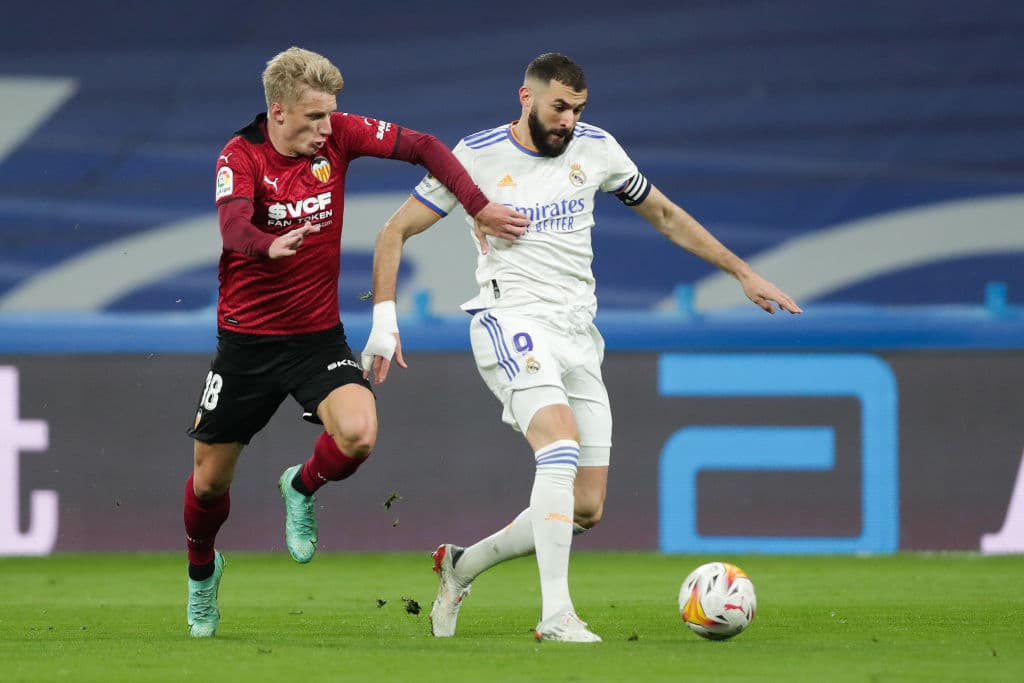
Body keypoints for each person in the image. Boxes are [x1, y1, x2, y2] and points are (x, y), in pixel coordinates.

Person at [360, 53, 802, 643]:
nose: (569, 120)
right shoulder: (477, 155)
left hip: (577, 336)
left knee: (586, 508)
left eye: (578, 109)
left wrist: (742, 272)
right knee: (559, 447)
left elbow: (666, 215)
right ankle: (556, 615)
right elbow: (395, 230)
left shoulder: (597, 148)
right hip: (507, 318)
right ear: (526, 98)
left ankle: (461, 566)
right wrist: (384, 322)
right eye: (559, 107)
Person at [182, 46, 529, 638]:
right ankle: (202, 577)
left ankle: (299, 485)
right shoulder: (240, 156)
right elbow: (233, 227)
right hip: (246, 344)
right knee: (210, 482)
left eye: (330, 115)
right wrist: (270, 245)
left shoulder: (339, 135)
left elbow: (421, 146)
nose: (327, 127)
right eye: (314, 117)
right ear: (278, 111)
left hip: (317, 337)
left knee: (360, 433)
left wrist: (479, 206)